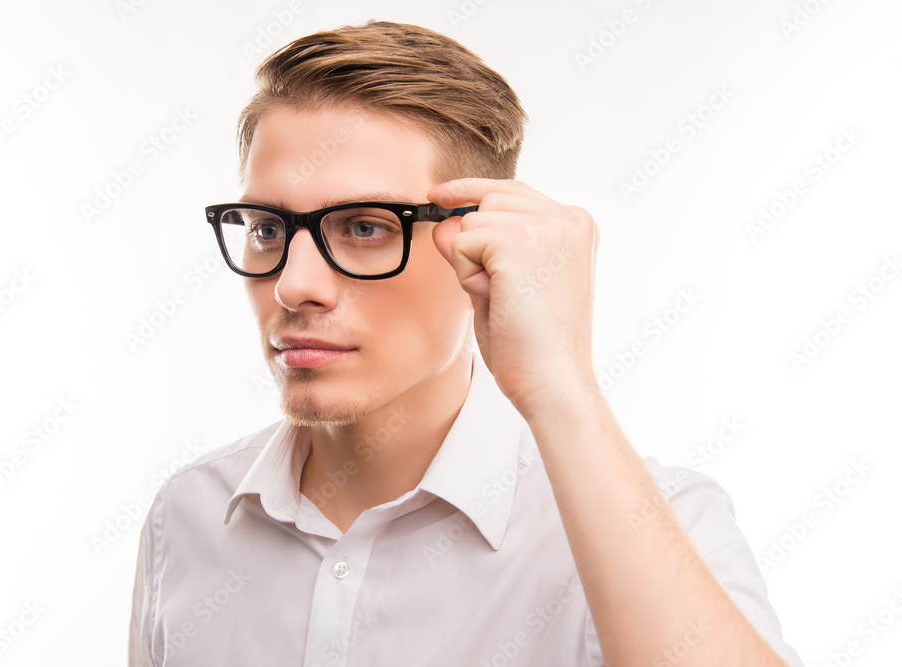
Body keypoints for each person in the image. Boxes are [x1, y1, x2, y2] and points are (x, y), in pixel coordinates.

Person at [129, 20, 804, 666]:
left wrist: (562, 385)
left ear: (479, 244)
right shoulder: (185, 520)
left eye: (364, 227)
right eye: (268, 229)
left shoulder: (665, 526)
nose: (292, 286)